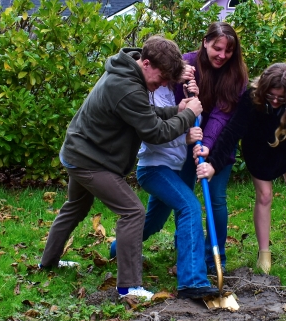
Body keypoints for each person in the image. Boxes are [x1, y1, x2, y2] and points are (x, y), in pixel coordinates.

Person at [39, 36, 202, 300]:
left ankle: (47, 262)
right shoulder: (126, 86)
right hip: (90, 160)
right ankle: (128, 287)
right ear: (146, 63)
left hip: (80, 151)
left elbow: (144, 112)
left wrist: (176, 109)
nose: (161, 84)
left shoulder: (128, 73)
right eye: (160, 78)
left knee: (76, 207)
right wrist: (188, 114)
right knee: (133, 212)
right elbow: (154, 132)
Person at [112, 22, 248, 277]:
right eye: (217, 48)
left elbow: (221, 116)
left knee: (216, 200)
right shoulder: (185, 63)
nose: (221, 56)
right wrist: (182, 81)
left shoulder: (237, 76)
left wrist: (206, 145)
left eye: (228, 52)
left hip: (217, 146)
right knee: (176, 205)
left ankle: (213, 258)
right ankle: (183, 252)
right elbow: (163, 94)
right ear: (205, 41)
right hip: (180, 143)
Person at [197, 62, 286, 274]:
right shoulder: (252, 98)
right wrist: (213, 164)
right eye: (271, 96)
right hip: (258, 152)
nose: (276, 101)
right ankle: (264, 254)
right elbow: (232, 132)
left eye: (281, 97)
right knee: (265, 196)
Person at [109, 70, 217, 299]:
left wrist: (193, 102)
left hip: (171, 168)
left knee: (152, 223)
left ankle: (117, 249)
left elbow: (190, 121)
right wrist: (184, 138)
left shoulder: (171, 91)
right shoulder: (148, 95)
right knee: (189, 206)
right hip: (153, 168)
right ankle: (192, 282)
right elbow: (152, 135)